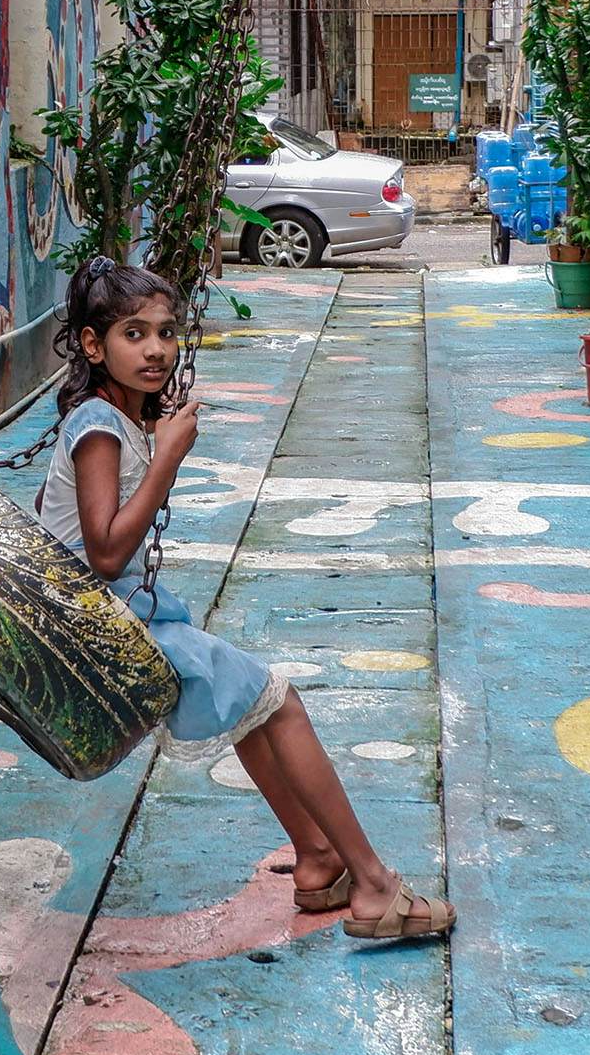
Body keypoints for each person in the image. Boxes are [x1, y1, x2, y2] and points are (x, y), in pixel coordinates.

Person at [37, 255, 452, 941]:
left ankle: (317, 858)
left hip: (112, 611)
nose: (156, 349)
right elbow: (105, 552)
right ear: (92, 345)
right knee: (281, 703)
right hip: (101, 620)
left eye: (166, 332)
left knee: (252, 704)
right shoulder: (100, 428)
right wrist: (168, 457)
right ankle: (374, 885)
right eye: (134, 334)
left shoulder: (115, 419)